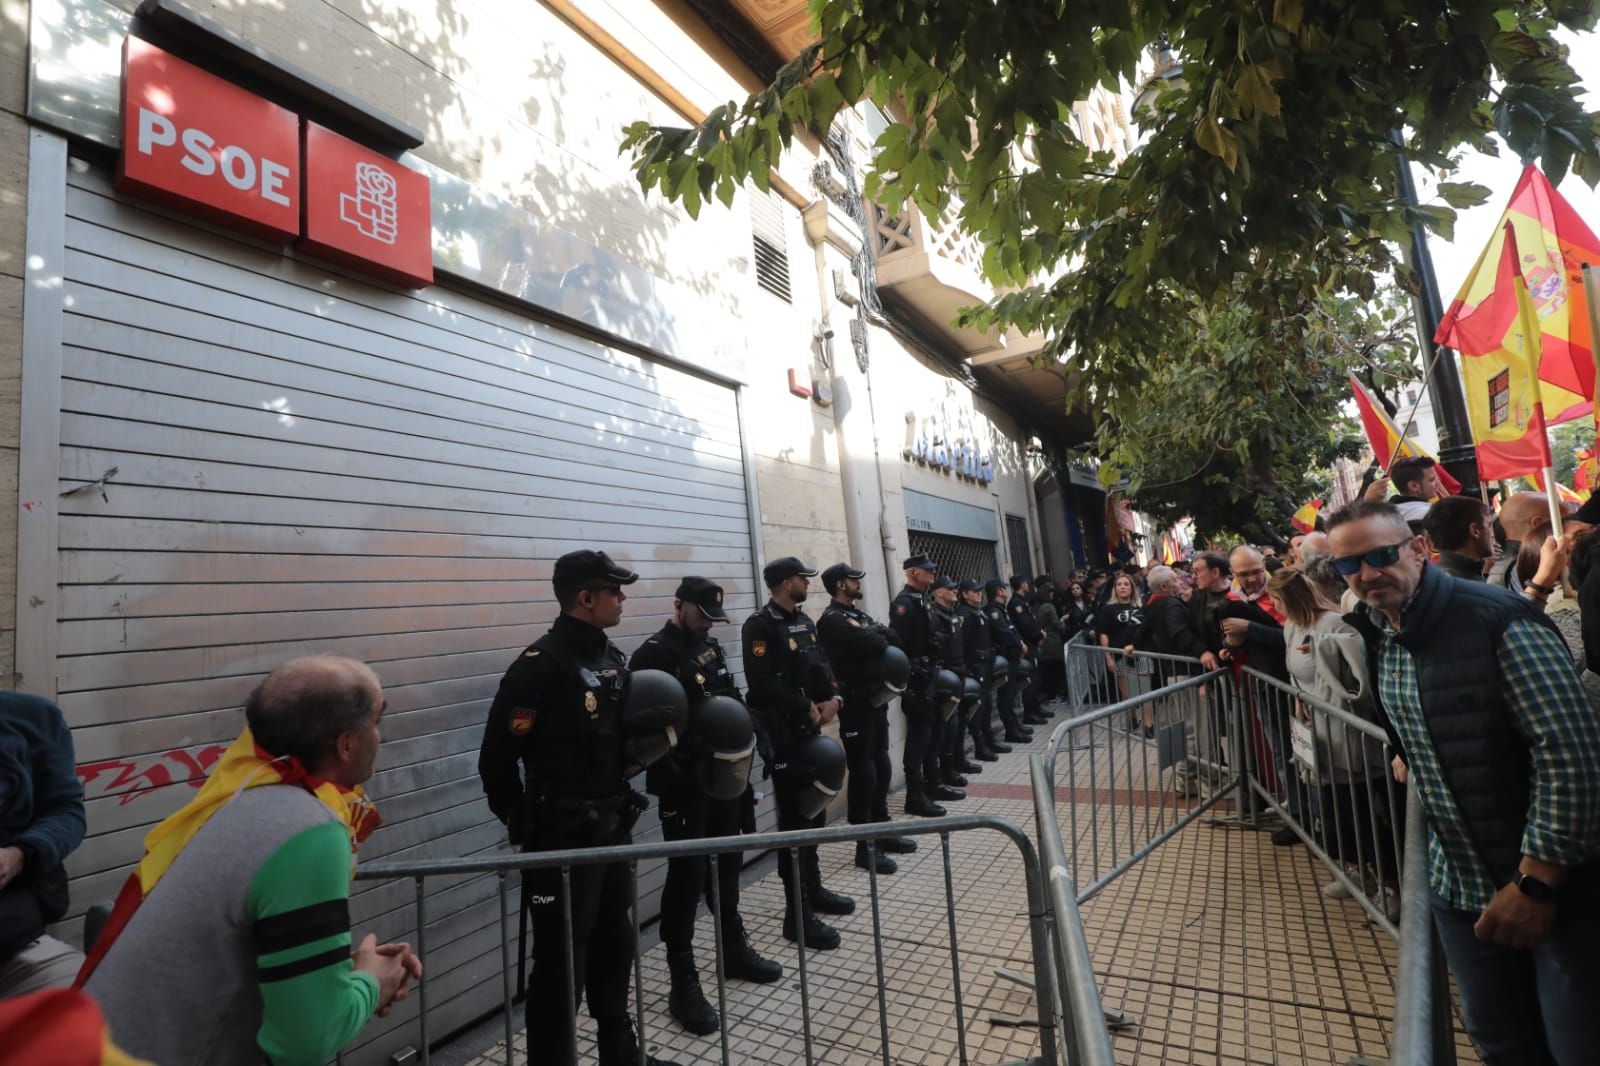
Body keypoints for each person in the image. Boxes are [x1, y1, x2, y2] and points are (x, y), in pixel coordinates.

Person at [1330, 499, 1600, 1064]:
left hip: (1551, 890)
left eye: (1383, 554)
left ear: (1420, 549)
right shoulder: (1382, 632)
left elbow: (1570, 754)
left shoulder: (1500, 618)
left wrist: (1536, 883)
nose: (1368, 573)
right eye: (1349, 565)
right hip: (1459, 889)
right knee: (1503, 1044)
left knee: (1577, 1045)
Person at [86, 657, 418, 1066]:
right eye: (378, 720)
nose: (380, 736)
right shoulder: (309, 831)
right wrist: (372, 983)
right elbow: (305, 1043)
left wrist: (335, 978)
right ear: (346, 743)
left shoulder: (243, 798)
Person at [477, 550, 677, 1066]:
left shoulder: (609, 654)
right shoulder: (539, 668)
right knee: (562, 963)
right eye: (614, 591)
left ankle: (620, 1052)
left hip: (611, 828)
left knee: (615, 942)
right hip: (561, 840)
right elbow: (497, 762)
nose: (623, 598)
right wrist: (524, 827)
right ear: (585, 599)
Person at [630, 577, 781, 1035]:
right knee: (687, 875)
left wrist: (759, 736)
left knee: (729, 863)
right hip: (684, 785)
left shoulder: (709, 647)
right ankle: (682, 979)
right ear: (679, 605)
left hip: (722, 777)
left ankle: (732, 949)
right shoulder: (652, 655)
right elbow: (641, 728)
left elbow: (728, 699)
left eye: (714, 618)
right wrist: (678, 764)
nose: (707, 624)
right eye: (701, 614)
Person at [741, 556, 855, 950]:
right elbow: (759, 686)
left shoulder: (805, 622)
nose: (807, 583)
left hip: (811, 732)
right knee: (793, 823)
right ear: (786, 583)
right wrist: (800, 706)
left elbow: (822, 665)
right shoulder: (760, 625)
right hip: (785, 736)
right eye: (802, 578)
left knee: (815, 814)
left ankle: (815, 890)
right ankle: (797, 915)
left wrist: (834, 698)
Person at [1267, 567, 1396, 910]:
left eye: (1276, 599)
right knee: (1337, 810)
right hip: (1316, 730)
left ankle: (1391, 887)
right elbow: (1296, 673)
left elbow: (1359, 674)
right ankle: (1357, 871)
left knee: (1364, 810)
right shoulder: (1291, 627)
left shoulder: (1337, 623)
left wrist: (1326, 659)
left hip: (1347, 729)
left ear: (1289, 598)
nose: (1273, 605)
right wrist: (1298, 697)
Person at [816, 562, 919, 875]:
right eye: (852, 580)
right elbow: (876, 641)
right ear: (838, 584)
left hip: (876, 701)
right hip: (856, 703)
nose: (857, 583)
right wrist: (874, 634)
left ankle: (883, 830)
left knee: (882, 764)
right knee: (864, 772)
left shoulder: (857, 616)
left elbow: (891, 637)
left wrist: (872, 632)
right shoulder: (832, 620)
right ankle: (865, 846)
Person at [0, 692, 86, 998]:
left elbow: (66, 811)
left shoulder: (35, 718)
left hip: (15, 944)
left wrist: (19, 855)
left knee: (96, 1009)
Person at [891, 555, 961, 816]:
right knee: (919, 740)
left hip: (931, 675)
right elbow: (898, 645)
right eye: (927, 570)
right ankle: (915, 796)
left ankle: (935, 784)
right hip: (917, 680)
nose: (933, 573)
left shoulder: (923, 601)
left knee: (934, 734)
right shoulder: (904, 604)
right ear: (912, 572)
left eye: (933, 569)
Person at [1141, 566, 1213, 788]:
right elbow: (1179, 632)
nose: (1180, 580)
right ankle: (1198, 779)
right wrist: (1202, 651)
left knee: (1186, 725)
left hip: (1174, 673)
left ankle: (1186, 777)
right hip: (1185, 672)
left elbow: (1141, 632)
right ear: (1164, 587)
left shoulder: (1153, 606)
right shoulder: (1171, 605)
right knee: (1194, 727)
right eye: (1175, 579)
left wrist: (1131, 644)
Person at [928, 575, 973, 794]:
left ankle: (956, 763)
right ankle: (945, 772)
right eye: (950, 588)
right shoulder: (935, 616)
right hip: (945, 677)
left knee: (958, 722)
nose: (955, 590)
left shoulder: (952, 613)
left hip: (958, 672)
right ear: (938, 592)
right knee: (946, 725)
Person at [958, 578, 1006, 759]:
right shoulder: (964, 614)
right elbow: (964, 644)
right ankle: (980, 746)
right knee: (978, 708)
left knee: (986, 706)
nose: (979, 593)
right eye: (974, 591)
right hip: (976, 666)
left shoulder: (976, 612)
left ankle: (989, 741)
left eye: (979, 590)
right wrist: (970, 668)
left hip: (985, 664)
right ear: (964, 594)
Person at [1096, 573, 1150, 731]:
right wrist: (1108, 657)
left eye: (1126, 584)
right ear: (1115, 589)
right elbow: (1103, 634)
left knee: (1146, 691)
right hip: (1119, 654)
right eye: (1119, 584)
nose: (1123, 587)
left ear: (1132, 588)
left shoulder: (1142, 607)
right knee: (1127, 693)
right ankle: (1132, 719)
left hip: (1144, 653)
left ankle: (1148, 724)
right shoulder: (1108, 610)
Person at [986, 579, 1034, 742]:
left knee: (1011, 692)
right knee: (1006, 695)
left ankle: (1015, 725)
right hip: (1005, 658)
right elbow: (1003, 633)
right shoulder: (993, 611)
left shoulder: (1001, 610)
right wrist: (1019, 645)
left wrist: (1020, 644)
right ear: (999, 591)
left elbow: (1012, 630)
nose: (1006, 591)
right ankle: (1011, 731)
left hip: (1012, 657)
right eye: (1004, 589)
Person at [1423, 495, 1496, 581]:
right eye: (1489, 525)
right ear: (1475, 530)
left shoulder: (1434, 579)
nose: (1492, 534)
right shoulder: (1463, 583)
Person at [1008, 576, 1050, 724]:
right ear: (1021, 584)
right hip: (1027, 645)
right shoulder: (1016, 603)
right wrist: (1039, 634)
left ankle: (1036, 707)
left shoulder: (1022, 601)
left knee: (1036, 677)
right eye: (1026, 582)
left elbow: (1032, 621)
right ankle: (1029, 712)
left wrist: (1040, 632)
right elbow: (1024, 624)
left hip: (1032, 643)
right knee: (1030, 679)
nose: (1028, 585)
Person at [1033, 582, 1069, 704]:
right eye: (1051, 593)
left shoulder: (1038, 607)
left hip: (1044, 644)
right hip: (1051, 642)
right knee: (1055, 671)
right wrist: (1063, 621)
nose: (1054, 595)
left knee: (1049, 671)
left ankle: (1051, 695)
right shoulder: (1049, 606)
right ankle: (1054, 696)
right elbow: (1057, 625)